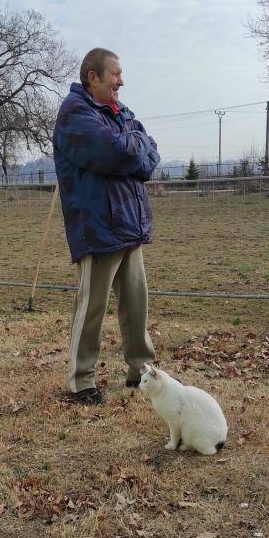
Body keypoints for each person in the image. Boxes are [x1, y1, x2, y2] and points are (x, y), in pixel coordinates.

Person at [53, 47, 160, 405]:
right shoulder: (74, 113)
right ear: (92, 77)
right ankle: (82, 380)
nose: (121, 80)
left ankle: (141, 370)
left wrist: (136, 146)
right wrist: (136, 146)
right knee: (92, 308)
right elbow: (118, 153)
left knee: (136, 303)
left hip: (129, 223)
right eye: (114, 73)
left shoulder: (120, 112)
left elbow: (149, 158)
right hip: (99, 228)